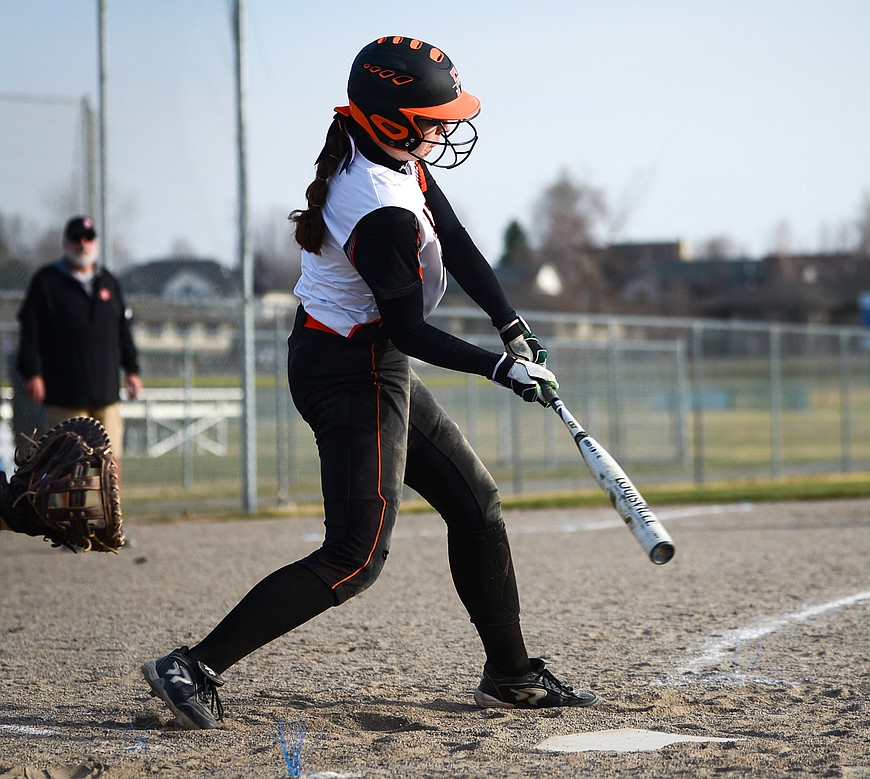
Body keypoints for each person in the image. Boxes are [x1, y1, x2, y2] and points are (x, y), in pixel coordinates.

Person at [140, 35, 598, 730]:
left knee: (476, 506)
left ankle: (510, 673)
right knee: (355, 556)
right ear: (390, 116)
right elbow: (410, 331)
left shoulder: (390, 152)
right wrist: (499, 368)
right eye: (432, 113)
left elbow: (457, 238)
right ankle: (192, 665)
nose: (446, 125)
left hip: (367, 356)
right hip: (347, 368)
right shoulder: (379, 204)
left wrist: (510, 323)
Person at [17, 216, 142, 464]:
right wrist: (32, 372)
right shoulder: (47, 282)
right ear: (65, 243)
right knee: (65, 470)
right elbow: (30, 331)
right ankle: (69, 506)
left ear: (95, 242)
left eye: (88, 238)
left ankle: (110, 505)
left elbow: (122, 331)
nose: (82, 244)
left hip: (106, 394)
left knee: (110, 466)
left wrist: (132, 370)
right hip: (66, 396)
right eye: (76, 239)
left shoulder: (108, 282)